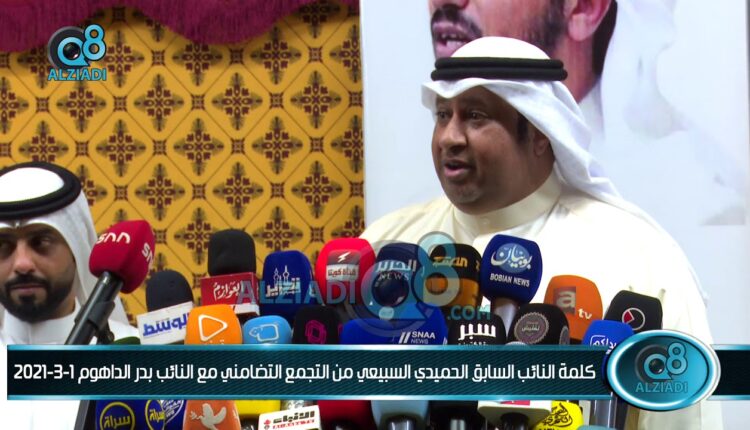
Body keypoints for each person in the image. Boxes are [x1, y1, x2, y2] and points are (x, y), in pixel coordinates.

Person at [361, 37, 722, 430]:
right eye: (443, 115)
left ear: (540, 133)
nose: (450, 136)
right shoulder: (383, 247)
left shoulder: (642, 259)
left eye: (476, 116)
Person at [427, 0, 745, 226]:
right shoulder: (411, 232)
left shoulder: (705, 205)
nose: (445, 1)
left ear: (585, 8)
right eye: (444, 115)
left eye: (476, 117)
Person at [0, 161, 137, 429]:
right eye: (4, 245)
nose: (22, 263)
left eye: (41, 242)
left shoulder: (135, 358)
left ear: (76, 249)